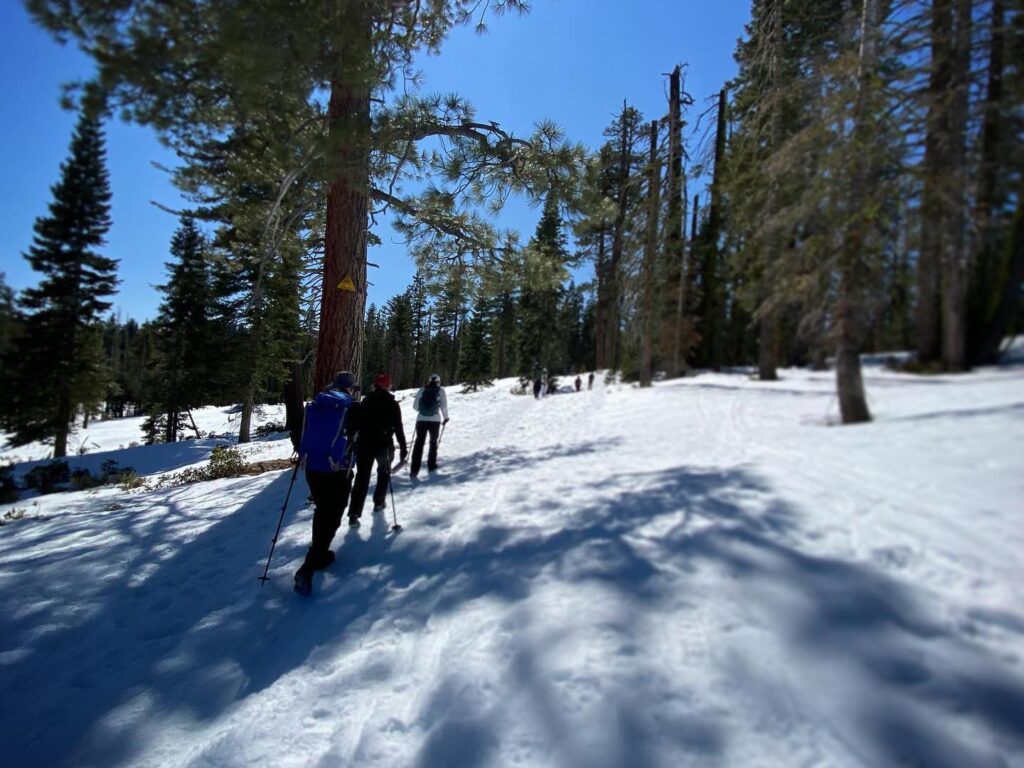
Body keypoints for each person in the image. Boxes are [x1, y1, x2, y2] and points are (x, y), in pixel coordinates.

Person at [293, 371, 359, 595]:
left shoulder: (316, 404)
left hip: (313, 467)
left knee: (323, 510)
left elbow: (297, 432)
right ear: (349, 388)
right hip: (338, 470)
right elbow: (359, 436)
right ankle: (309, 567)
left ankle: (320, 555)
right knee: (333, 513)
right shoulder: (351, 407)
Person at [347, 373, 408, 528]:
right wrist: (403, 448)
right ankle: (379, 502)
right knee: (383, 473)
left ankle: (354, 514)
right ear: (387, 385)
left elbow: (356, 424)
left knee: (361, 479)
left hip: (364, 445)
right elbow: (398, 427)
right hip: (384, 445)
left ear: (375, 385)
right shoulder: (392, 403)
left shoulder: (366, 401)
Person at [410, 372, 449, 477]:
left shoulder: (423, 389)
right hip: (435, 420)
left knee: (419, 443)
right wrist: (446, 418)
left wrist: (421, 410)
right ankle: (431, 466)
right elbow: (444, 406)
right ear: (438, 381)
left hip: (421, 419)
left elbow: (415, 406)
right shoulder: (441, 391)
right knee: (433, 443)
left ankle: (414, 469)